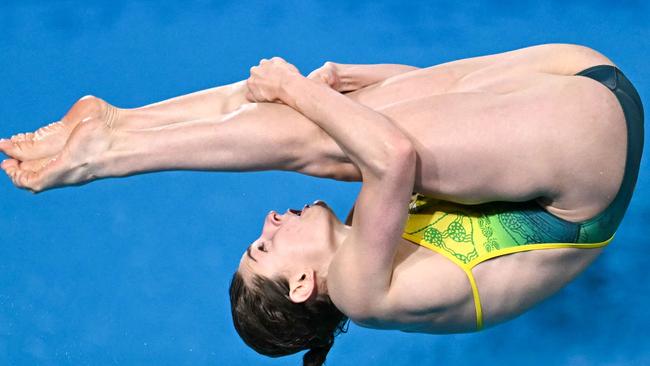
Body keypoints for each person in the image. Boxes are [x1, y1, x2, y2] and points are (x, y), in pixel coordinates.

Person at [0, 44, 644, 366]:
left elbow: (426, 124)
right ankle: (106, 152)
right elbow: (391, 157)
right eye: (263, 246)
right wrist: (294, 90)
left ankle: (120, 121)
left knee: (326, 118)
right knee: (319, 137)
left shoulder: (370, 234)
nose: (269, 221)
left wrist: (353, 78)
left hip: (575, 88)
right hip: (592, 156)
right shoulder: (364, 292)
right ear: (305, 284)